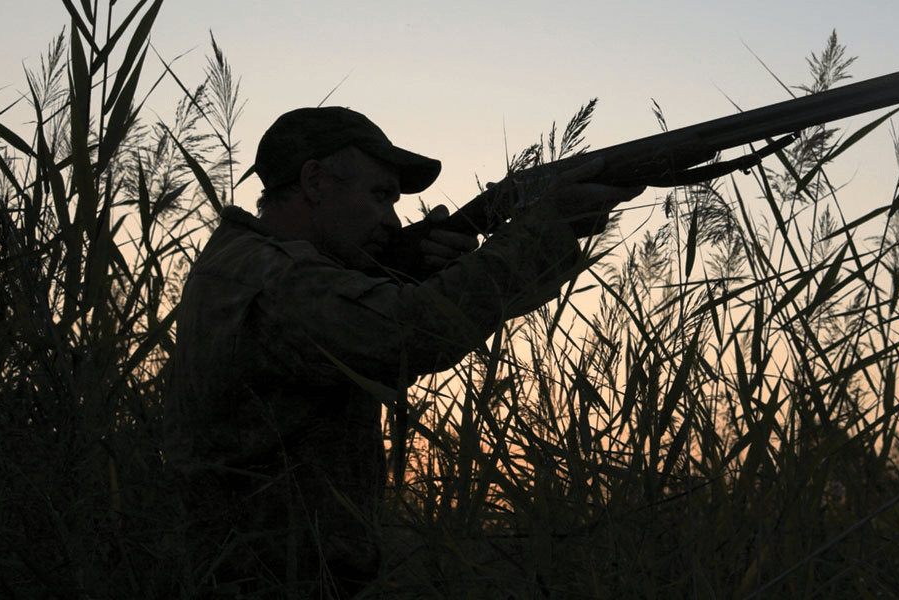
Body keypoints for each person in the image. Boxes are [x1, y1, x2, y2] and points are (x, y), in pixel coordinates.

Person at [164, 106, 643, 597]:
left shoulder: (249, 261)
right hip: (269, 581)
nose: (391, 221)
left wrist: (400, 268)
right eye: (379, 196)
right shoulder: (271, 278)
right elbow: (408, 332)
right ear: (315, 182)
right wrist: (544, 231)